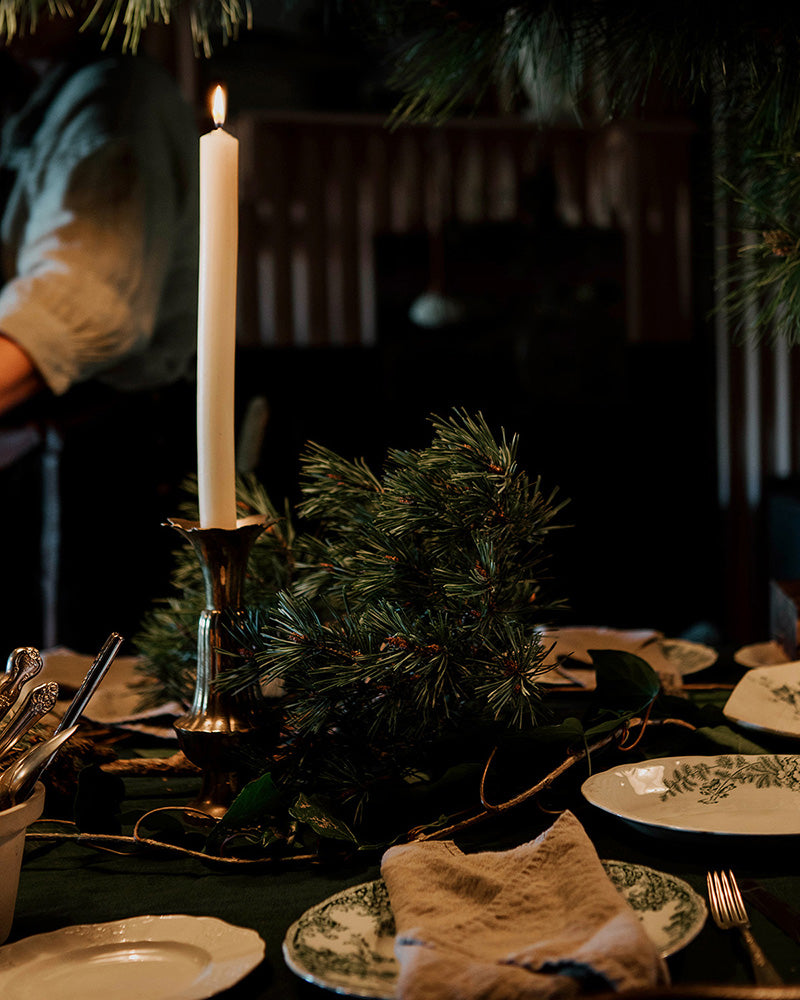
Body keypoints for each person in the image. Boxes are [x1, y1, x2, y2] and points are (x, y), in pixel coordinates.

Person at [0, 18, 200, 653]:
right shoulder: (31, 102)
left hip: (98, 470)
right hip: (39, 456)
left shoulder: (117, 98)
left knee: (70, 717)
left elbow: (73, 309)